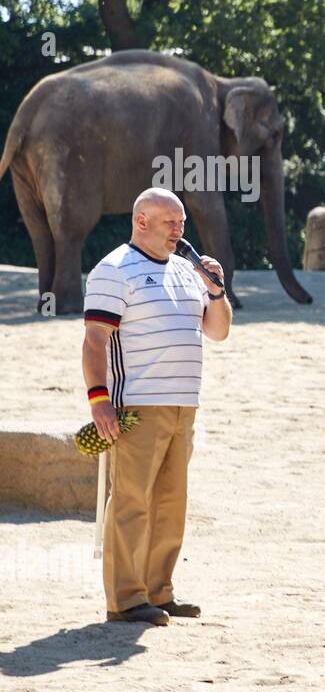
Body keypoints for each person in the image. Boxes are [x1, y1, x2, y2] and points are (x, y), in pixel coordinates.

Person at [82, 188, 231, 626]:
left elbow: (218, 332)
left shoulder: (188, 272)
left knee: (170, 503)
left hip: (185, 406)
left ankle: (160, 592)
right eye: (170, 222)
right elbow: (94, 342)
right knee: (131, 500)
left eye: (182, 223)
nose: (179, 231)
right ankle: (125, 600)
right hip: (138, 406)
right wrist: (99, 402)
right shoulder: (113, 270)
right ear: (141, 221)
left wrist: (217, 293)